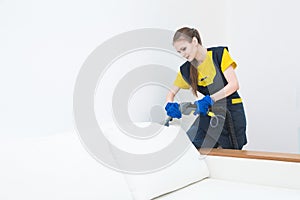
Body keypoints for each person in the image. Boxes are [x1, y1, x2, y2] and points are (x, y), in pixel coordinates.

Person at [165, 27, 247, 149]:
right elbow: (171, 92)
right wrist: (169, 104)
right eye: (179, 52)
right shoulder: (186, 70)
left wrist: (210, 100)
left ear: (194, 41)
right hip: (210, 114)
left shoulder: (219, 55)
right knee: (192, 147)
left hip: (232, 112)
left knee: (230, 153)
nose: (183, 55)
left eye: (184, 49)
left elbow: (234, 85)